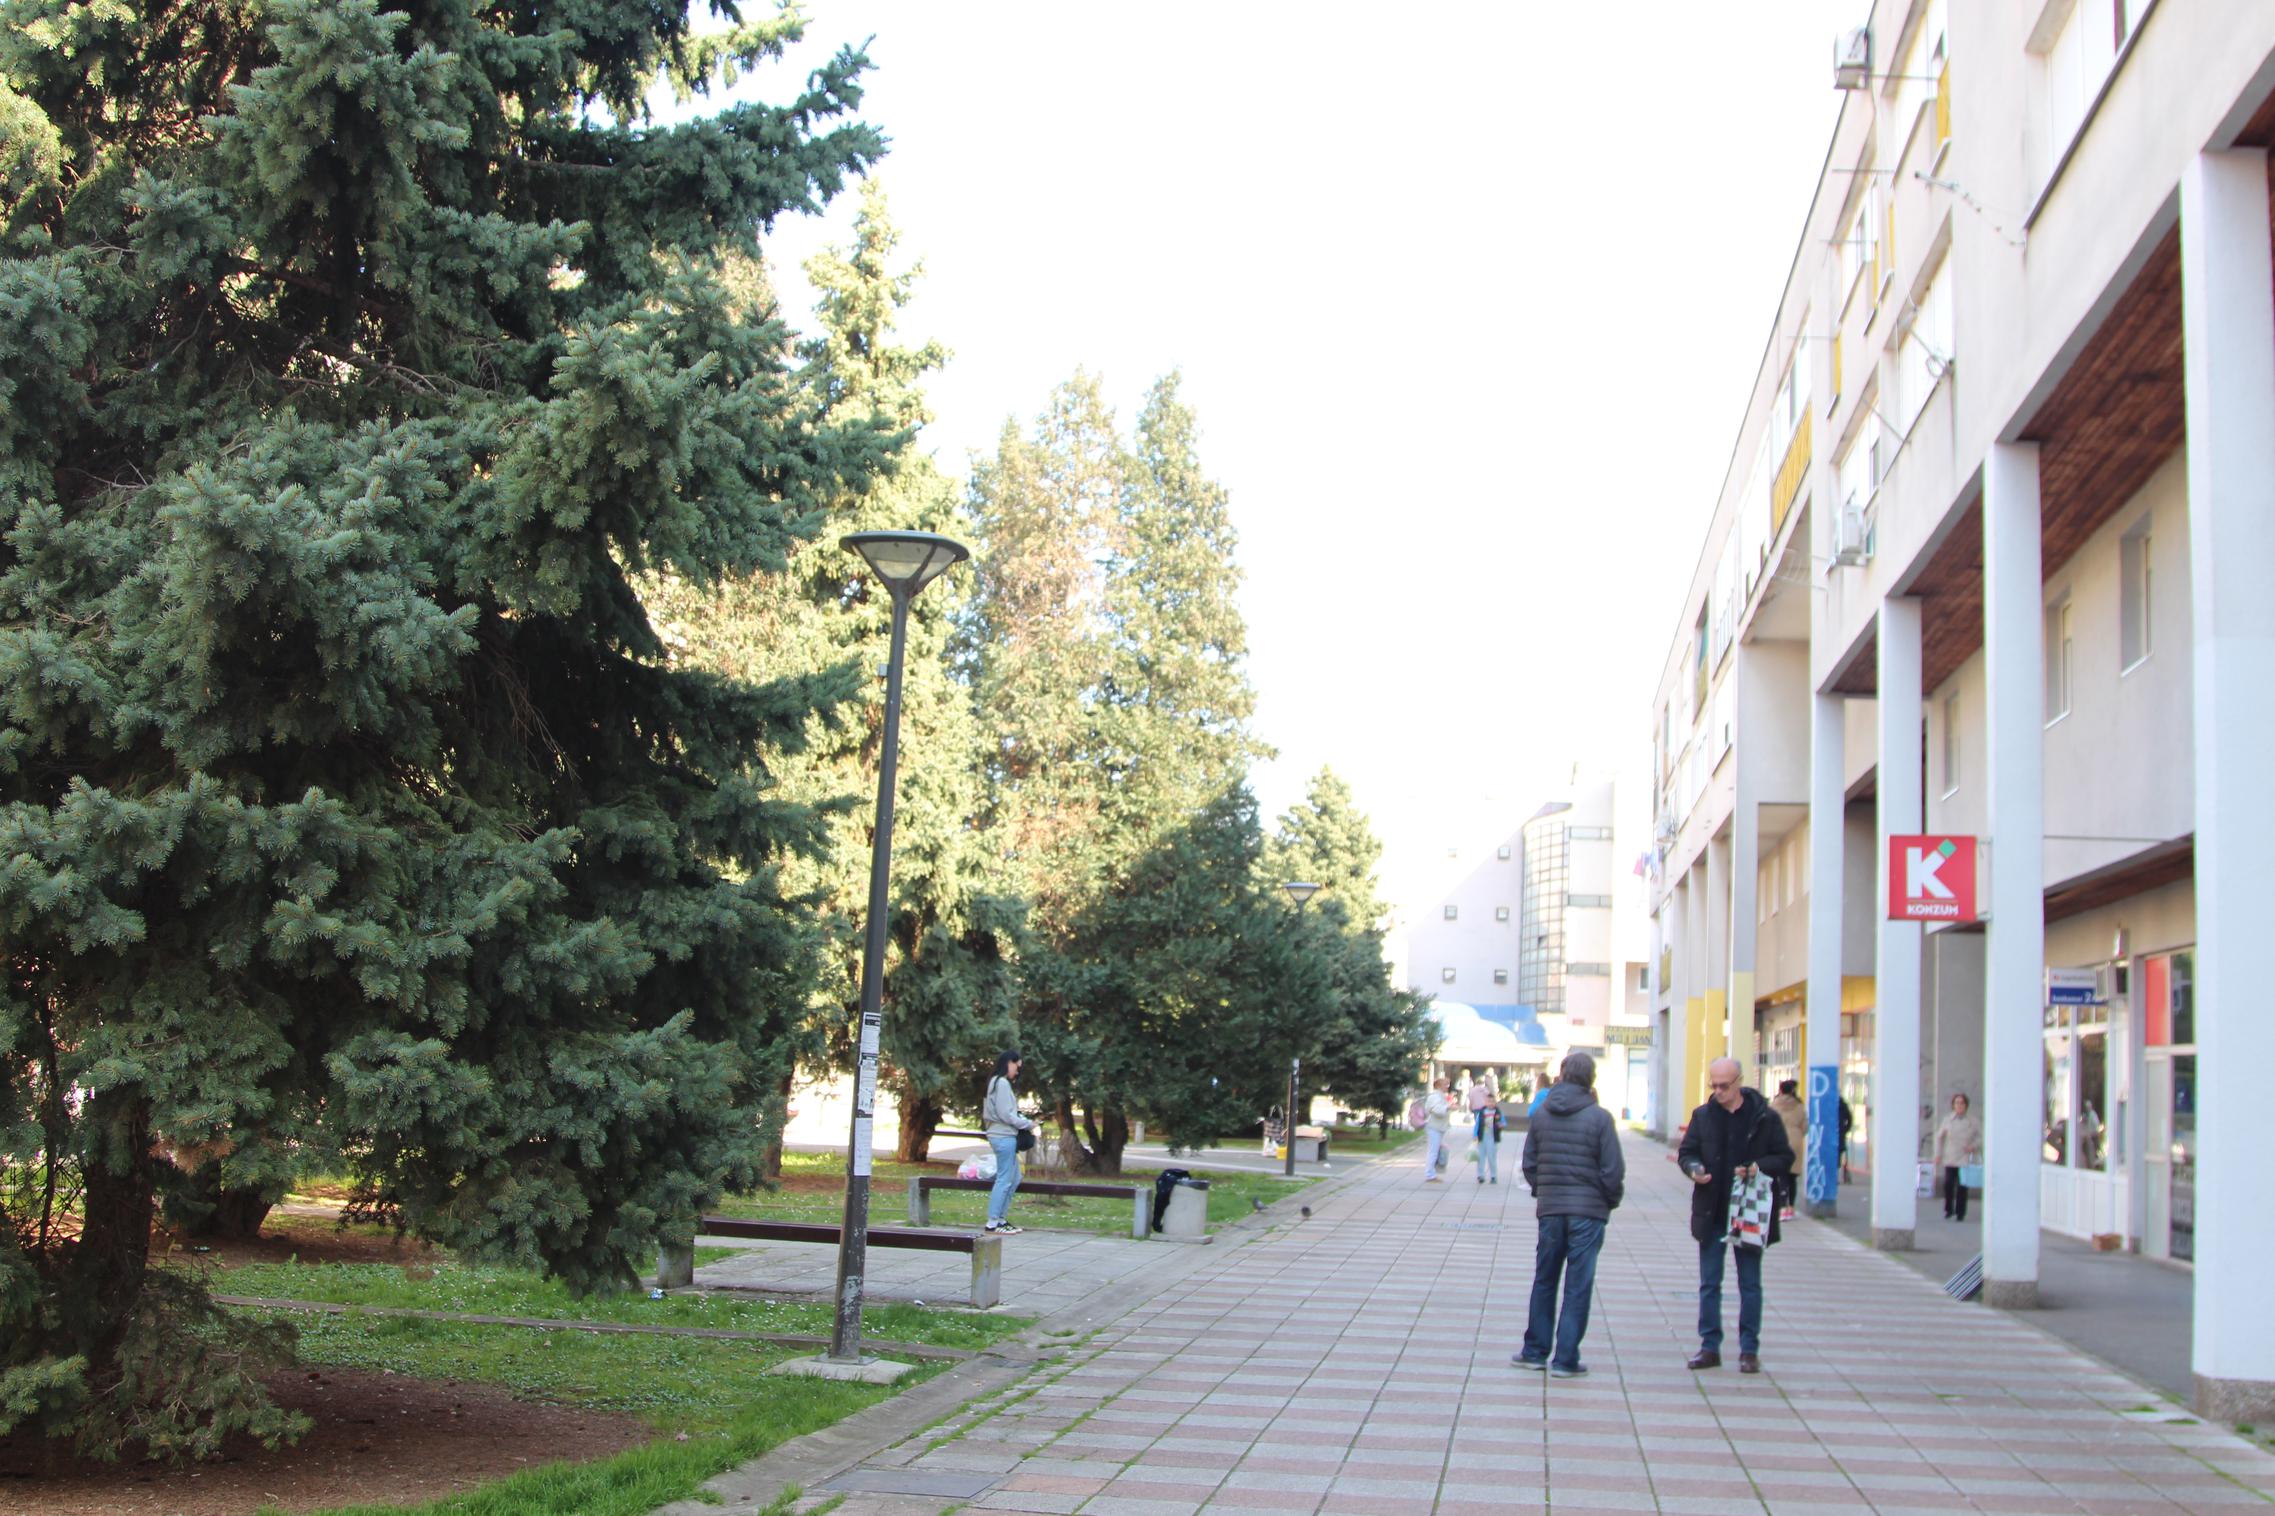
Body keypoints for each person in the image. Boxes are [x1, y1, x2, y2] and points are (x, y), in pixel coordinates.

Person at [1678, 1056, 1794, 1374]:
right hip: (1712, 1209)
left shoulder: (1764, 1118)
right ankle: (1709, 1346)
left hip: (1749, 1210)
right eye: (1713, 1085)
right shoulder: (1703, 1116)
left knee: (1750, 1283)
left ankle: (1749, 1349)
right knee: (1709, 1282)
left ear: (1739, 1082)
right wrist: (1693, 1169)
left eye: (1724, 1086)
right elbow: (1687, 1152)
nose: (1718, 1091)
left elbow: (1784, 1157)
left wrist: (1759, 1167)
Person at [1513, 1053, 1625, 1378]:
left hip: (1551, 1210)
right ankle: (1565, 1359)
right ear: (1591, 1078)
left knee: (1545, 1279)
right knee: (1578, 1284)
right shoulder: (1600, 1118)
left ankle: (1535, 1351)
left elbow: (1529, 1163)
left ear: (1562, 1076)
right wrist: (1607, 1202)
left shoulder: (1542, 1114)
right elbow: (1613, 1170)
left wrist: (1544, 1191)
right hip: (1588, 1213)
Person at [982, 1049, 1036, 1234]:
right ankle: (993, 1221)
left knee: (1015, 1177)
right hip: (1003, 1136)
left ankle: (1001, 1219)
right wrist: (1028, 1124)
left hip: (1001, 1135)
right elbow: (1006, 1115)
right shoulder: (1002, 1083)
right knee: (1005, 1179)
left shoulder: (994, 1082)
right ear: (1009, 1063)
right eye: (1016, 1067)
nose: (1017, 1071)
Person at [1934, 1091, 1983, 1222]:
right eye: (1957, 1103)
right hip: (1950, 1156)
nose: (1959, 1105)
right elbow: (1939, 1137)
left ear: (1966, 1105)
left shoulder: (1973, 1121)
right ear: (1953, 1105)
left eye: (1962, 1103)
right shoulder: (1948, 1120)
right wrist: (1938, 1154)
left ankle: (1960, 1212)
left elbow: (1981, 1136)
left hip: (1965, 1156)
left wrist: (1973, 1146)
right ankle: (1948, 1209)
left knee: (1962, 1185)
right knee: (1948, 1183)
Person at [1769, 1079, 1807, 1221]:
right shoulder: (1799, 1106)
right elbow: (1805, 1126)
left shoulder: (1774, 1105)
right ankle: (1791, 1207)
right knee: (1792, 1176)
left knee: (1781, 1175)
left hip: (1779, 1141)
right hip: (1796, 1141)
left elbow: (1768, 1124)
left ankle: (1782, 1207)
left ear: (1780, 1090)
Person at [1469, 1073, 1501, 1184]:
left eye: (1492, 1102)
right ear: (1485, 1101)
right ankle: (1480, 1175)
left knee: (1492, 1157)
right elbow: (1477, 1124)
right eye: (1488, 1101)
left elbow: (1502, 1122)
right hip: (1482, 1137)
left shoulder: (1497, 1112)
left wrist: (1500, 1125)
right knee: (1481, 1157)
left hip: (1492, 1137)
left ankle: (1493, 1175)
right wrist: (1475, 1135)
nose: (1490, 1103)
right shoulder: (1482, 1112)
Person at [1422, 1077, 1451, 1183]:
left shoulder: (1440, 1096)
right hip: (1434, 1127)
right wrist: (1448, 1107)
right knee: (1433, 1151)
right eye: (1445, 1084)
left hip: (1438, 1127)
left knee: (1436, 1151)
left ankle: (1432, 1172)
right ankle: (1430, 1174)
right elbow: (1436, 1110)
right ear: (1438, 1086)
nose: (1447, 1087)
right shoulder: (1435, 1097)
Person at [1837, 1095, 1854, 1184]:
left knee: (1836, 1156)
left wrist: (1845, 1129)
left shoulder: (1829, 1104)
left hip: (1836, 1134)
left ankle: (1835, 1177)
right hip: (1840, 1133)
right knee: (1838, 1155)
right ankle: (1838, 1176)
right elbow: (1849, 1118)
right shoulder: (1843, 1104)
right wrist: (1845, 1129)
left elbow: (1849, 1119)